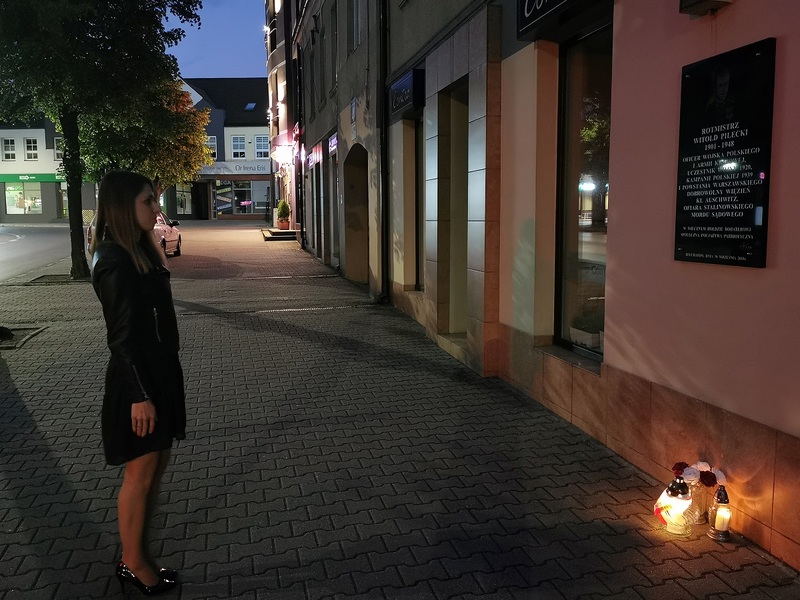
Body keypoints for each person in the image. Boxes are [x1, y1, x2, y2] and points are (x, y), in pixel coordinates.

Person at [90, 171, 185, 596]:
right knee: (140, 473)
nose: (156, 207)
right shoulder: (114, 259)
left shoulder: (140, 250)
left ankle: (139, 554)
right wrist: (140, 395)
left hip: (158, 372)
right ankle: (132, 562)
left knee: (154, 468)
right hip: (139, 382)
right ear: (123, 206)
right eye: (148, 200)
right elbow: (121, 337)